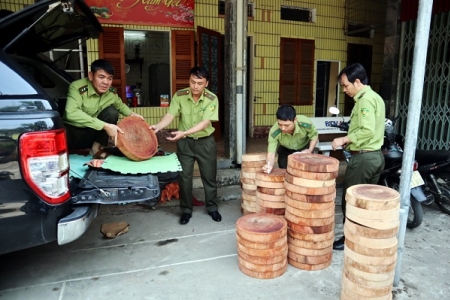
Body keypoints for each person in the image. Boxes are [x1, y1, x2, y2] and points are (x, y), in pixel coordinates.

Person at [150, 66, 220, 225]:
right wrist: (159, 126)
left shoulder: (212, 98)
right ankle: (186, 210)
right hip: (185, 144)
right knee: (185, 178)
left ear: (206, 84)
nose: (195, 86)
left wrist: (184, 133)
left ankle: (212, 208)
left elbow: (204, 123)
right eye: (192, 82)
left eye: (199, 83)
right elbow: (170, 114)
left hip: (205, 142)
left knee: (209, 177)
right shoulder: (180, 96)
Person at [331, 63, 386, 250]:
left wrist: (344, 139)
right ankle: (363, 237)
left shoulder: (365, 101)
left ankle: (349, 240)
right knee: (367, 202)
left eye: (346, 85)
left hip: (363, 159)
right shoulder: (375, 97)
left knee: (352, 200)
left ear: (357, 81)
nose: (345, 90)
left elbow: (367, 130)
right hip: (375, 156)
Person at [63, 59, 143, 156]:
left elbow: (120, 106)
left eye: (109, 78)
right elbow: (71, 113)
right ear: (91, 76)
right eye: (101, 77)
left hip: (91, 132)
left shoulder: (111, 93)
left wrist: (132, 115)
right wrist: (105, 126)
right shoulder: (77, 87)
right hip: (72, 133)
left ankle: (95, 148)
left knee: (111, 112)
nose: (106, 82)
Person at [262, 105, 318, 174]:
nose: (283, 128)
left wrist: (310, 150)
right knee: (285, 173)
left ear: (295, 120)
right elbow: (271, 153)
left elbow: (314, 135)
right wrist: (269, 166)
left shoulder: (304, 123)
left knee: (304, 173)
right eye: (280, 124)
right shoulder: (274, 131)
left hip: (303, 149)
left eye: (287, 125)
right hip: (285, 150)